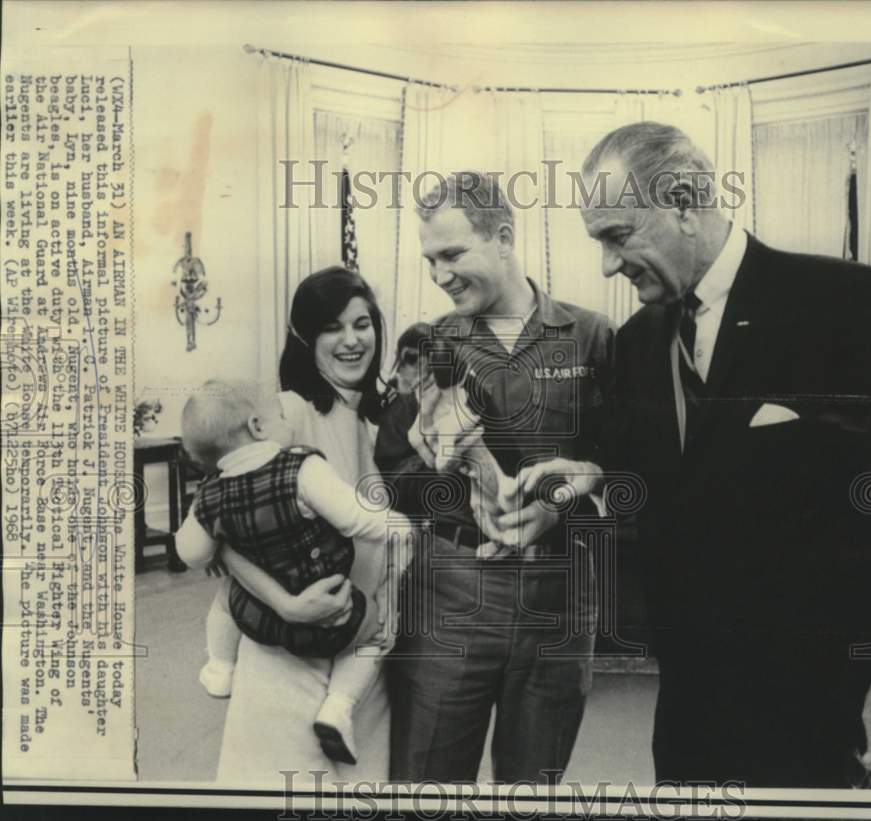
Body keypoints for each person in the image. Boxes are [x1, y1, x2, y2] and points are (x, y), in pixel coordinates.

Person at [515, 122, 871, 788]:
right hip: (691, 705)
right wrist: (591, 473)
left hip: (820, 701)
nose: (608, 265)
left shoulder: (841, 304)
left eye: (618, 236)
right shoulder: (641, 339)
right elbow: (655, 467)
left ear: (686, 204)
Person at [375, 171, 614, 783]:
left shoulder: (591, 337)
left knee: (533, 788)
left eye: (453, 254)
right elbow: (394, 470)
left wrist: (557, 504)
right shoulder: (426, 347)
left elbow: (625, 461)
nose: (440, 274)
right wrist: (466, 490)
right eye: (430, 260)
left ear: (504, 237)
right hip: (450, 591)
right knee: (427, 787)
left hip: (560, 598)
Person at [213, 266, 404, 783]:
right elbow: (215, 530)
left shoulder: (381, 421)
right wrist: (286, 604)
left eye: (362, 324)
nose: (351, 340)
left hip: (362, 660)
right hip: (289, 656)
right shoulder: (288, 412)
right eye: (332, 327)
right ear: (305, 338)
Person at [176, 379, 411, 766]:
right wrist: (399, 527)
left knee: (223, 606)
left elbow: (193, 554)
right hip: (335, 608)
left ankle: (220, 666)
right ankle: (338, 705)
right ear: (257, 426)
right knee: (378, 627)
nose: (286, 421)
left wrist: (212, 538)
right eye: (280, 417)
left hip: (258, 620)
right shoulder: (301, 466)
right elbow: (355, 518)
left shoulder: (210, 494)